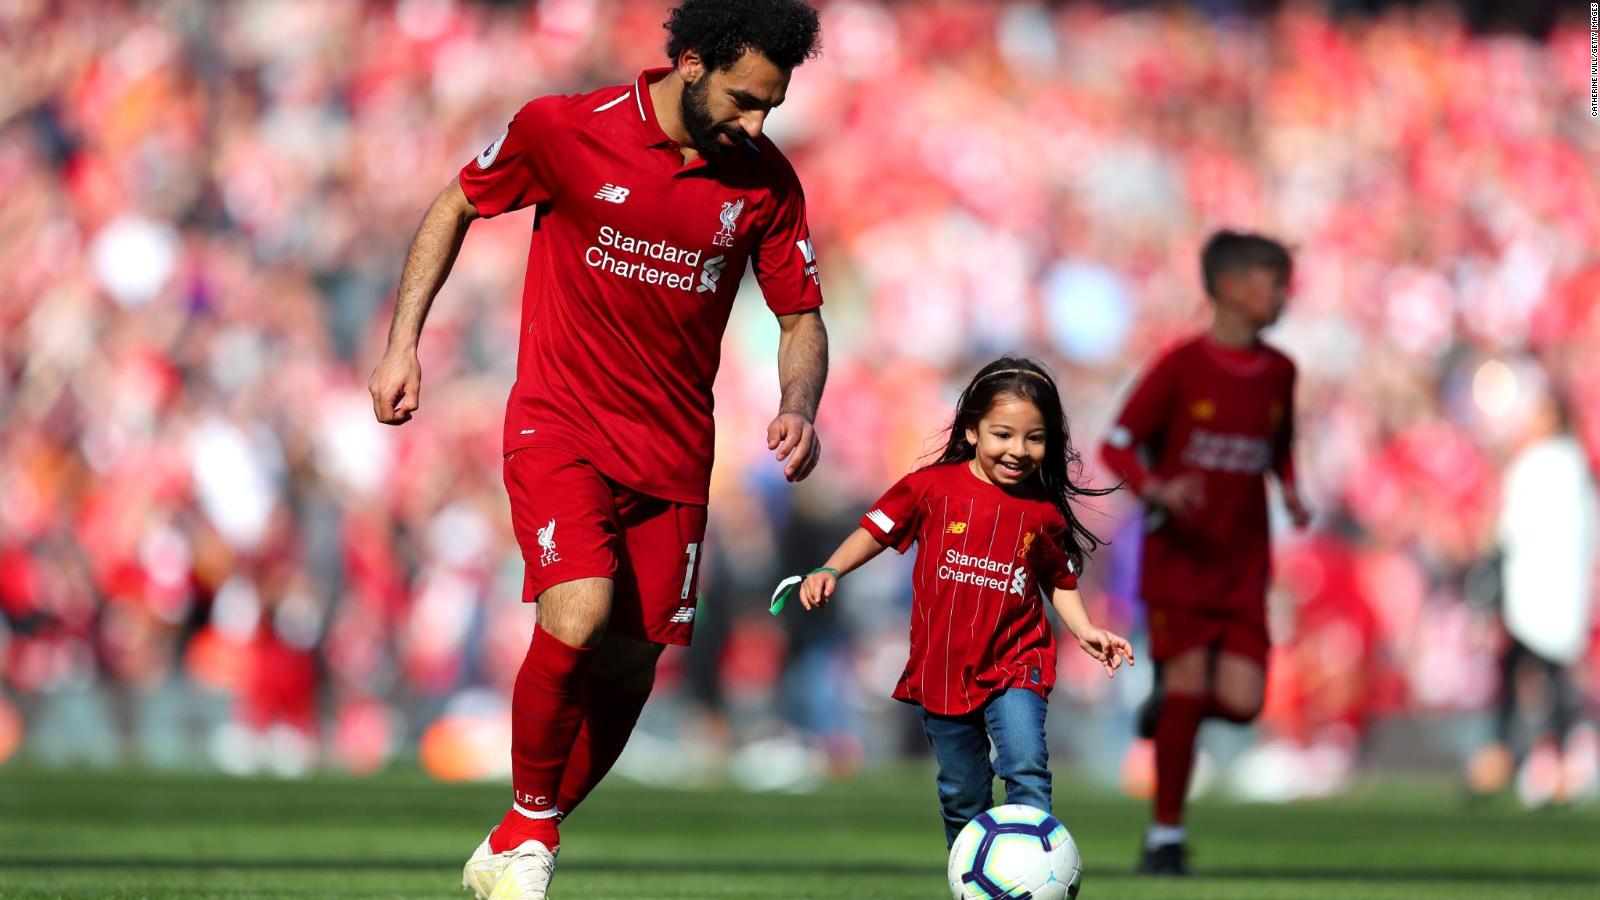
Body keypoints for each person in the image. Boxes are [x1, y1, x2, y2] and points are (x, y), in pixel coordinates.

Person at [367, 2, 827, 897]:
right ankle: (533, 843)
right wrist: (401, 343)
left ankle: (515, 835)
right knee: (576, 611)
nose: (755, 123)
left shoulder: (767, 181)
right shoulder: (564, 128)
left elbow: (800, 316)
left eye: (770, 105)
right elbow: (458, 201)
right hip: (560, 423)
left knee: (629, 666)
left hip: (675, 454)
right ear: (690, 62)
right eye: (742, 99)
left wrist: (799, 402)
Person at [786, 357, 1134, 847]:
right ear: (972, 431)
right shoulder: (931, 488)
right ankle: (973, 871)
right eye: (1003, 434)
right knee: (963, 793)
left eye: (1034, 438)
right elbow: (877, 530)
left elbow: (1058, 578)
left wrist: (1085, 629)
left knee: (1026, 767)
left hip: (1017, 661)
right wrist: (830, 569)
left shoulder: (1042, 512)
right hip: (942, 666)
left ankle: (1033, 867)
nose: (1018, 450)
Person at [1099, 231, 1309, 876]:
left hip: (1243, 560)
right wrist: (1158, 487)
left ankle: (1169, 712)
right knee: (1191, 683)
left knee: (1243, 701)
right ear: (1227, 288)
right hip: (1181, 559)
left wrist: (1293, 493)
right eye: (1272, 282)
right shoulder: (1182, 365)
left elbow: (1278, 446)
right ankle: (1166, 835)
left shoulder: (1280, 371)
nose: (1283, 294)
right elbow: (1116, 443)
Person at [1468, 371, 1598, 807]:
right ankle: (1534, 756)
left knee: (1533, 672)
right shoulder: (1575, 466)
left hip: (1536, 589)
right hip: (1560, 593)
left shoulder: (1540, 465)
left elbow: (1507, 530)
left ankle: (1531, 755)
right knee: (1542, 672)